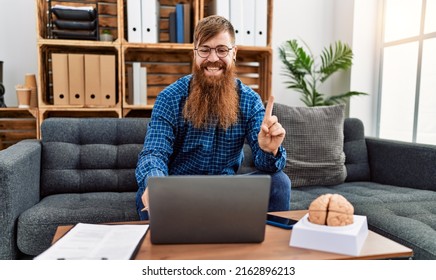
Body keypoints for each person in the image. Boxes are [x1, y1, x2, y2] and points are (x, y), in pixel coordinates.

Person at [135, 15, 291, 220]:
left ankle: (268, 249)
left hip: (225, 192)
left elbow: (265, 164)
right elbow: (154, 153)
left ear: (234, 53)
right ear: (195, 54)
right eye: (205, 50)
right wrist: (156, 186)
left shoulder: (250, 101)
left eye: (222, 50)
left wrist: (269, 150)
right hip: (177, 192)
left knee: (280, 182)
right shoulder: (170, 97)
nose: (213, 58)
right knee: (150, 192)